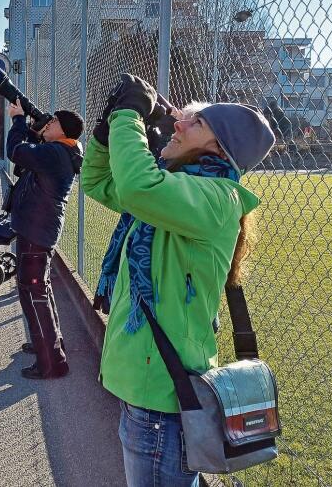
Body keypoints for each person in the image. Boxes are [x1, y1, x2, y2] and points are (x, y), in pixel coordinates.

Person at [82, 74, 275, 486]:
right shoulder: (178, 191)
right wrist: (105, 129)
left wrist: (128, 114)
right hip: (148, 390)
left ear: (219, 148)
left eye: (195, 123)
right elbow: (98, 183)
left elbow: (136, 186)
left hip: (165, 398)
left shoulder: (218, 198)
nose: (177, 124)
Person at [6, 99, 84, 379]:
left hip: (36, 232)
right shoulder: (61, 151)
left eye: (53, 122)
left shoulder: (54, 153)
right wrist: (32, 129)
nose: (47, 123)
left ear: (64, 132)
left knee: (34, 292)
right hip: (38, 230)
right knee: (38, 289)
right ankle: (48, 343)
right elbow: (28, 153)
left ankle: (51, 362)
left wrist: (17, 120)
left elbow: (15, 151)